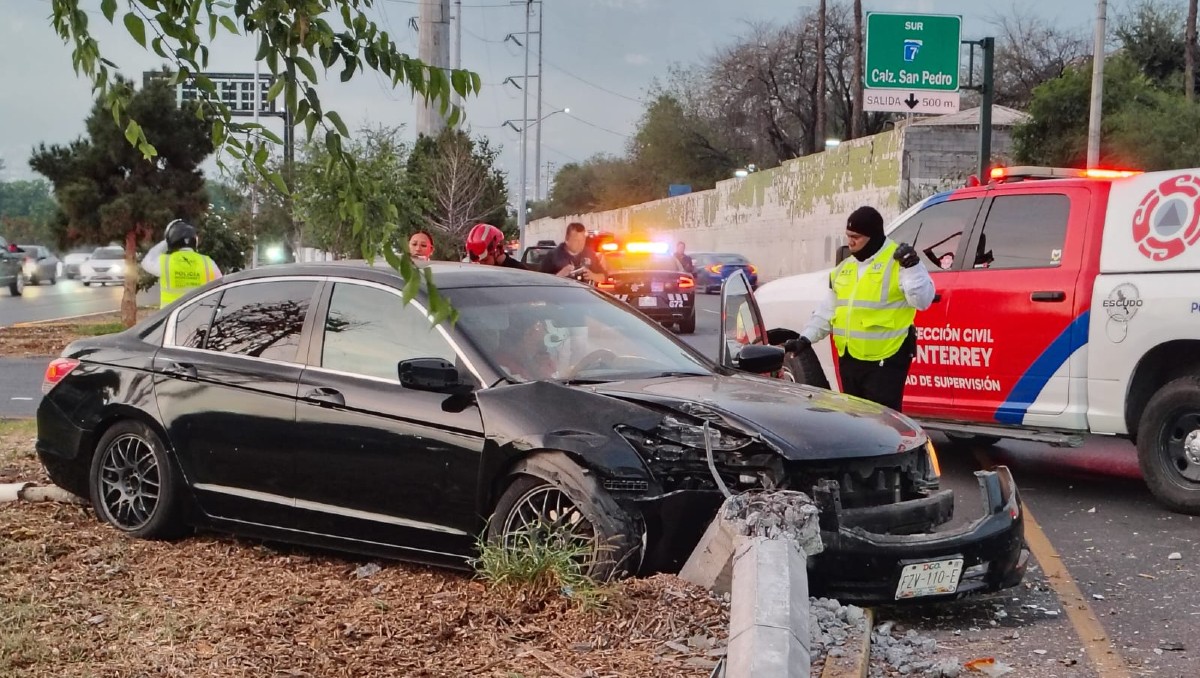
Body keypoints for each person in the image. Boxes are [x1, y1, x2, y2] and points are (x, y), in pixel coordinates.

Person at [785, 206, 934, 412]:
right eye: (848, 236)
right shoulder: (845, 268)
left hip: (885, 359)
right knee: (856, 420)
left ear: (874, 236)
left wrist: (913, 268)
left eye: (856, 237)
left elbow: (922, 301)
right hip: (850, 359)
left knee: (881, 422)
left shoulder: (899, 262)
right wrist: (805, 339)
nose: (850, 242)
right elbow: (829, 309)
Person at [142, 219, 222, 308]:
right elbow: (221, 285)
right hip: (200, 314)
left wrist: (166, 242)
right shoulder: (207, 262)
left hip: (172, 315)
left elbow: (146, 261)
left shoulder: (165, 262)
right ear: (194, 241)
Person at [539, 222, 605, 283]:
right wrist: (560, 276)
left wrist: (593, 276)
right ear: (567, 239)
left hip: (584, 291)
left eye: (583, 240)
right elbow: (541, 282)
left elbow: (604, 277)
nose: (581, 244)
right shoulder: (553, 256)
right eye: (576, 240)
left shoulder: (589, 254)